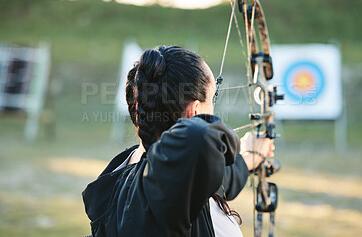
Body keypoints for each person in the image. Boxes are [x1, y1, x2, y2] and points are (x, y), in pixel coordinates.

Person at [82, 46, 275, 237]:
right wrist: (234, 150)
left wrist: (247, 159)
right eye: (213, 97)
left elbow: (196, 172)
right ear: (195, 111)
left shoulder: (122, 171)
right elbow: (195, 148)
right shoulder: (169, 178)